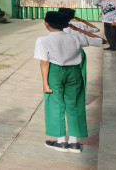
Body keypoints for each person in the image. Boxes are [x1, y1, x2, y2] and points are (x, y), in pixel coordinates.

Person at [35, 10, 104, 153]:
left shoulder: (43, 40)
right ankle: (74, 143)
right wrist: (79, 30)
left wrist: (45, 84)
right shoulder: (75, 37)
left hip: (55, 72)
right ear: (66, 24)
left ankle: (61, 141)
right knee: (75, 104)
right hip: (74, 72)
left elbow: (44, 62)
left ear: (46, 24)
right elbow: (101, 41)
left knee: (55, 104)